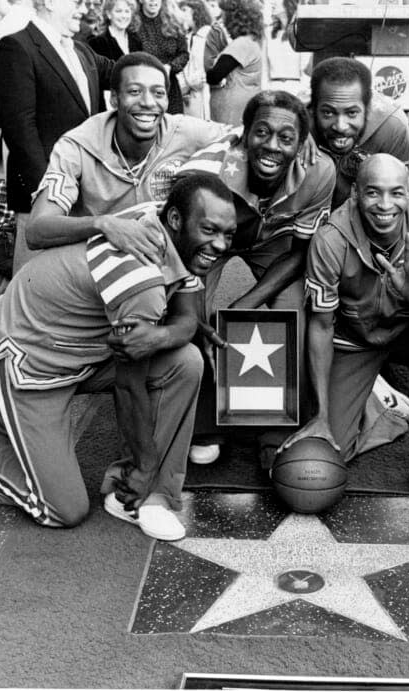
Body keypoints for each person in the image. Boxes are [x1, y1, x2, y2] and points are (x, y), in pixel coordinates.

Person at [0, 51, 230, 470]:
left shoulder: (187, 132)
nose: (147, 103)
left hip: (158, 279)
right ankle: (0, 424)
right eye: (134, 91)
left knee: (188, 341)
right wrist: (105, 224)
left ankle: (182, 430)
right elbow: (39, 229)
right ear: (113, 98)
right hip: (86, 280)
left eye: (156, 92)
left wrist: (307, 140)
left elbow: (246, 133)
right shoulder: (78, 143)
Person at [0, 172, 236, 538]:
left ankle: (137, 495)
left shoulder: (164, 228)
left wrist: (164, 335)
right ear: (177, 220)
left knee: (185, 362)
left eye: (227, 234)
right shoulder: (142, 278)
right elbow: (128, 388)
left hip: (85, 352)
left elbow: (187, 313)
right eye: (210, 230)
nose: (220, 244)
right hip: (30, 365)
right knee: (63, 509)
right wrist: (146, 463)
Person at [174, 89, 336, 465]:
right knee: (191, 309)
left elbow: (300, 253)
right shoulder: (205, 172)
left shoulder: (319, 171)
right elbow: (184, 254)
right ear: (243, 134)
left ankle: (275, 428)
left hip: (273, 242)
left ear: (302, 143)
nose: (272, 146)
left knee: (293, 302)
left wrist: (243, 304)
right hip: (212, 239)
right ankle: (204, 423)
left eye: (286, 138)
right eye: (262, 133)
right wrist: (204, 312)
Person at [281, 153, 409, 474]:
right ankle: (380, 409)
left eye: (396, 192)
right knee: (331, 449)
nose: (385, 205)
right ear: (355, 193)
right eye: (372, 192)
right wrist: (322, 416)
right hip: (357, 337)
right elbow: (321, 326)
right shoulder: (330, 237)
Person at [0, 0, 114, 273]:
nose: (84, 9)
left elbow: (125, 72)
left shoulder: (82, 51)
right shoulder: (15, 47)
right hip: (43, 201)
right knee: (32, 292)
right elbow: (20, 132)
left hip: (84, 197)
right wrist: (48, 198)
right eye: (78, 2)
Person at [308, 57, 409, 210]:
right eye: (328, 113)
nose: (340, 127)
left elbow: (396, 197)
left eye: (351, 113)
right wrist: (297, 131)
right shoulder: (298, 120)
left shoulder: (392, 126)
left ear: (368, 108)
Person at [205, 0, 262, 125]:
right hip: (245, 103)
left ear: (233, 18)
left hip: (232, 110)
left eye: (223, 15)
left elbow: (214, 76)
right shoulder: (251, 41)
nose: (222, 20)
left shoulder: (241, 44)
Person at [129, 0, 188, 114]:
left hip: (170, 88)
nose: (153, 1)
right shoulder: (132, 24)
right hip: (144, 89)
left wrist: (170, 67)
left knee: (173, 127)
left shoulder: (174, 21)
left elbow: (184, 53)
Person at [178, 0, 213, 119]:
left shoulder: (210, 33)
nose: (181, 14)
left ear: (196, 11)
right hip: (189, 95)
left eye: (185, 10)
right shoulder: (187, 37)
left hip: (206, 94)